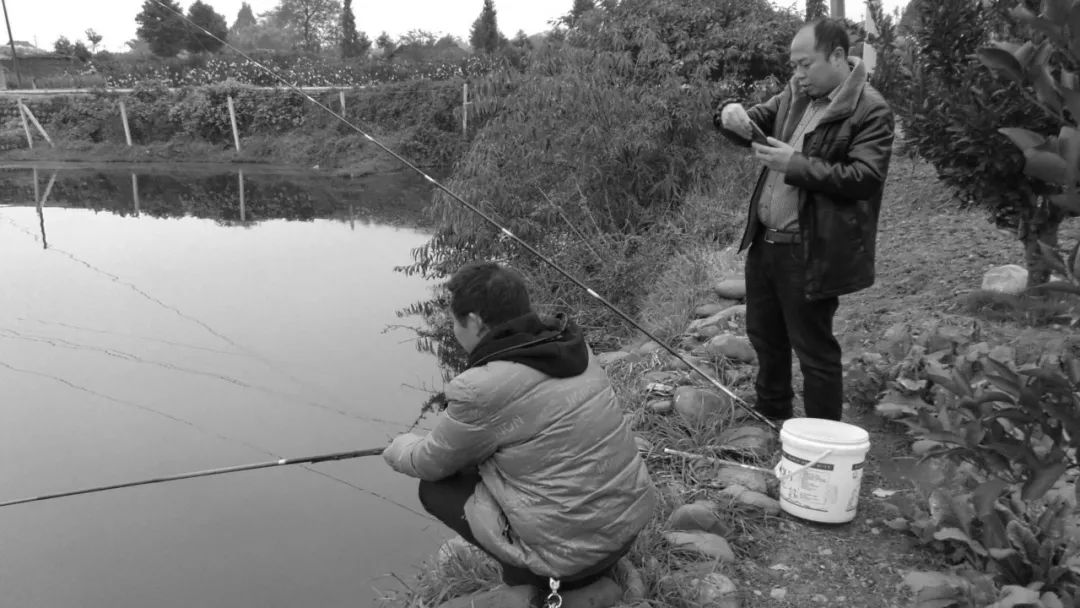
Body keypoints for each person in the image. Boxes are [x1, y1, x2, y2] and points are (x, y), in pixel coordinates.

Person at [383, 261, 656, 596]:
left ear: (475, 322)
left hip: (573, 560)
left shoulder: (481, 388)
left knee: (435, 488)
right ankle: (585, 564)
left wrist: (398, 446)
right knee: (475, 458)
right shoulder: (571, 345)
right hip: (627, 527)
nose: (453, 329)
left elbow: (429, 461)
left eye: (454, 321)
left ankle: (529, 582)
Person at [714, 18, 894, 422]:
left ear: (835, 57)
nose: (797, 74)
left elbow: (864, 179)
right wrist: (728, 114)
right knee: (765, 337)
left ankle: (822, 441)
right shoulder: (795, 95)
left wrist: (794, 164)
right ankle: (771, 416)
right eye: (794, 65)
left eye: (804, 64)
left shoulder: (870, 110)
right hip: (766, 244)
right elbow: (752, 124)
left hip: (810, 249)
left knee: (814, 351)